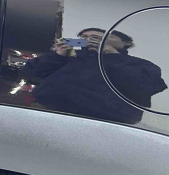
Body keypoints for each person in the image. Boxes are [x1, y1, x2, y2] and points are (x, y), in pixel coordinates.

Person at [23, 28, 167, 124]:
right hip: (47, 113)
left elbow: (146, 86)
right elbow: (31, 74)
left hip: (106, 123)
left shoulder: (140, 64)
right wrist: (57, 56)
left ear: (126, 42)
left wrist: (113, 57)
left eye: (98, 37)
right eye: (84, 37)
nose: (90, 39)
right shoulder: (69, 57)